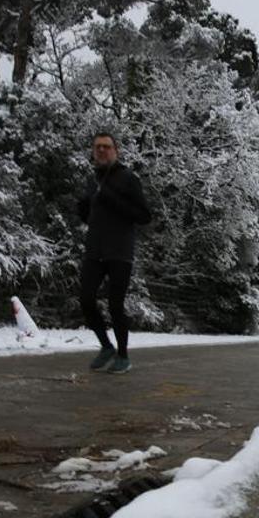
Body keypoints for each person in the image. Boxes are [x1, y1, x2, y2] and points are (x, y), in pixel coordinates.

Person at [76, 132, 152, 374]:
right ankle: (106, 347)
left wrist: (110, 198)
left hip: (120, 251)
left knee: (115, 304)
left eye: (106, 147)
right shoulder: (91, 179)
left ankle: (123, 355)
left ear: (115, 151)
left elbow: (144, 216)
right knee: (86, 299)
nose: (101, 151)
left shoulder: (128, 178)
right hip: (95, 249)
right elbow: (90, 215)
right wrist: (82, 208)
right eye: (97, 147)